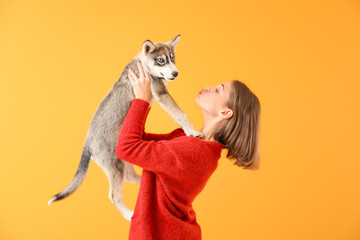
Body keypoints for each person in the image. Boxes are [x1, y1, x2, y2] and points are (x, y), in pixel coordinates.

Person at [115, 62, 261, 240]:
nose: (209, 87)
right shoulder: (191, 141)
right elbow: (135, 138)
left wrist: (142, 100)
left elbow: (127, 147)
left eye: (218, 90)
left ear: (225, 112)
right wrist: (147, 97)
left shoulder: (193, 152)